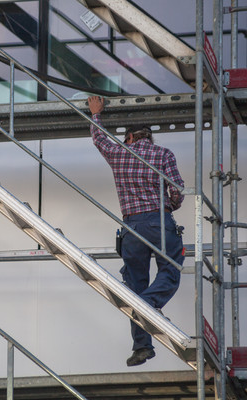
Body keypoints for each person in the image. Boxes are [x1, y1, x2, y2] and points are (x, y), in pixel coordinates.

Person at [87, 95, 185, 367]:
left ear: (129, 137)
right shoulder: (163, 153)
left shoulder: (120, 152)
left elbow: (99, 139)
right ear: (148, 138)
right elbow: (176, 191)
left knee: (135, 282)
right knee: (171, 269)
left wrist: (96, 113)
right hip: (159, 221)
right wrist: (169, 206)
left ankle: (142, 345)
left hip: (131, 227)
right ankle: (150, 304)